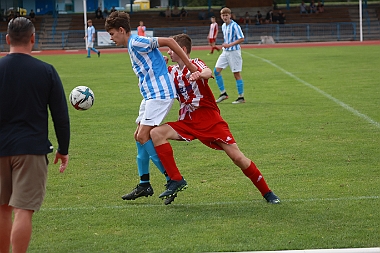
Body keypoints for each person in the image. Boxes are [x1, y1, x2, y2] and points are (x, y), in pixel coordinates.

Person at [149, 33, 280, 205]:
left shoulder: (195, 63)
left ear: (183, 50)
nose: (169, 53)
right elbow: (154, 84)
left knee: (237, 158)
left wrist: (200, 75)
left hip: (209, 119)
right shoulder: (172, 71)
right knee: (156, 133)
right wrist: (159, 68)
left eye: (172, 49)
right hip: (187, 121)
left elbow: (207, 71)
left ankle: (267, 192)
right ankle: (176, 180)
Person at [104, 11, 198, 200]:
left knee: (143, 135)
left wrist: (190, 66)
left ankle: (173, 178)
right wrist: (160, 61)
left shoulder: (137, 41)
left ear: (122, 30)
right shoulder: (132, 45)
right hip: (149, 96)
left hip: (160, 95)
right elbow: (153, 59)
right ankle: (144, 184)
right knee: (137, 136)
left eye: (112, 34)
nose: (111, 38)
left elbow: (171, 42)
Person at [0, 17, 70, 253]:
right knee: (23, 210)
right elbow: (60, 115)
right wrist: (64, 149)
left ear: (7, 39)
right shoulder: (46, 71)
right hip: (31, 149)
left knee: (2, 210)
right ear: (32, 38)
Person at [214, 7, 246, 104]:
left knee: (236, 74)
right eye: (223, 15)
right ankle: (223, 93)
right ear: (221, 16)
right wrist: (225, 45)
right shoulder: (223, 26)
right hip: (226, 52)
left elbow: (241, 38)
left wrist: (229, 45)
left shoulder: (235, 26)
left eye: (226, 15)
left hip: (234, 52)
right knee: (216, 71)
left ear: (230, 15)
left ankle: (241, 97)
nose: (225, 17)